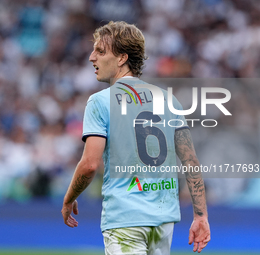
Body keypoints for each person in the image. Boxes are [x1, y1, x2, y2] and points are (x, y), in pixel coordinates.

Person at [61, 21, 210, 255]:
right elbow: (190, 161)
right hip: (164, 220)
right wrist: (200, 216)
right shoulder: (169, 100)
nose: (92, 57)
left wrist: (69, 198)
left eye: (100, 51)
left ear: (122, 58)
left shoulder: (100, 101)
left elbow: (90, 165)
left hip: (125, 218)